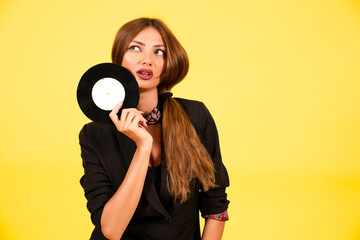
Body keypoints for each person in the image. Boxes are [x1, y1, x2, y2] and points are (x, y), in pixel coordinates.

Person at [79, 18, 230, 240]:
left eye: (159, 52)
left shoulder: (196, 115)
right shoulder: (94, 135)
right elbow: (111, 230)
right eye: (135, 48)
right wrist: (143, 146)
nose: (147, 60)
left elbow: (215, 204)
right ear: (118, 59)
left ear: (169, 63)